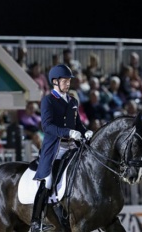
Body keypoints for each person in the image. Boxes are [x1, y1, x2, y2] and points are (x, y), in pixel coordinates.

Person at [30, 64, 93, 232]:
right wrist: (68, 132)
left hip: (72, 147)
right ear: (55, 82)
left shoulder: (72, 100)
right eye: (65, 81)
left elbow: (78, 124)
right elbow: (47, 127)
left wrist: (85, 132)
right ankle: (36, 221)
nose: (68, 84)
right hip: (55, 149)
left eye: (69, 81)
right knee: (47, 181)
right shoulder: (48, 100)